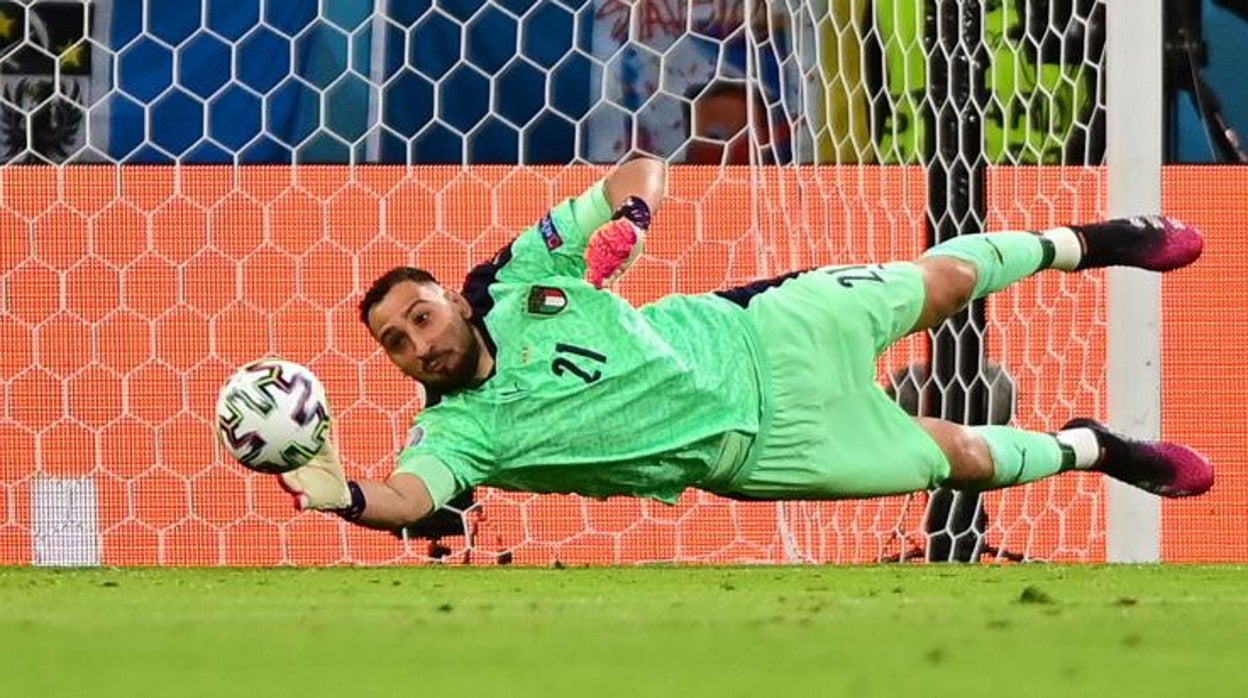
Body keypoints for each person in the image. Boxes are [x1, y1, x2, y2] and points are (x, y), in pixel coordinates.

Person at [277, 156, 1213, 530]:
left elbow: (638, 164)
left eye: (421, 315)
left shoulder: (519, 277)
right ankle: (1095, 448)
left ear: (449, 298)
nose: (418, 341)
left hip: (765, 332)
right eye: (399, 343)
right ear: (398, 364)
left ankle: (1094, 242)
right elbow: (408, 499)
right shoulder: (455, 438)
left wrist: (630, 210)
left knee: (941, 284)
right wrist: (342, 495)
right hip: (766, 452)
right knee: (960, 457)